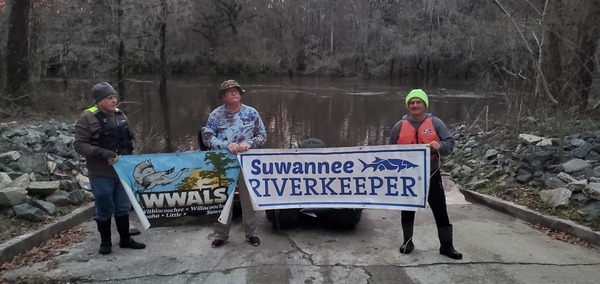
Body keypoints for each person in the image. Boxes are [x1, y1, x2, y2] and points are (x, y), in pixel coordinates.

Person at [388, 89, 462, 260]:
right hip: (408, 176)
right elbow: (389, 151)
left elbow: (449, 144)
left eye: (418, 102)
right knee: (407, 209)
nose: (415, 105)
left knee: (440, 210)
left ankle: (446, 246)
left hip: (431, 172)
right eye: (412, 103)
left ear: (425, 105)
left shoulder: (436, 123)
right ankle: (408, 242)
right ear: (408, 106)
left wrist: (440, 146)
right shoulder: (399, 126)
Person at [74, 82, 146, 255]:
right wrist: (102, 153)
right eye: (109, 98)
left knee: (122, 206)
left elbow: (127, 141)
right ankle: (105, 242)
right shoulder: (87, 118)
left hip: (122, 172)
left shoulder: (121, 116)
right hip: (100, 172)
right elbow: (79, 145)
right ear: (99, 101)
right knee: (104, 207)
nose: (114, 100)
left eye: (114, 97)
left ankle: (125, 239)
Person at [201, 79, 267, 248]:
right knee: (224, 200)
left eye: (236, 90)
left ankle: (251, 233)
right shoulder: (215, 115)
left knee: (248, 200)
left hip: (247, 164)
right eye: (229, 91)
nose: (234, 92)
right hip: (224, 164)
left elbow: (262, 135)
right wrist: (225, 145)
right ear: (223, 96)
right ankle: (222, 235)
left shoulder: (252, 113)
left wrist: (251, 143)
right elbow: (207, 137)